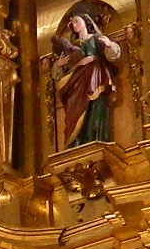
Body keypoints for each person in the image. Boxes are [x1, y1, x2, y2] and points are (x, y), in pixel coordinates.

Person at [50, 13, 123, 150]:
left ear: (85, 21)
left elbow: (113, 55)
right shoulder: (72, 46)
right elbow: (59, 74)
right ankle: (78, 143)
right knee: (75, 112)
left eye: (77, 21)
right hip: (76, 85)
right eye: (72, 24)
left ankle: (97, 139)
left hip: (95, 78)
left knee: (96, 108)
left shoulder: (95, 38)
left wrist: (109, 45)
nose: (74, 25)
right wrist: (59, 64)